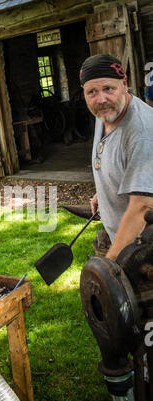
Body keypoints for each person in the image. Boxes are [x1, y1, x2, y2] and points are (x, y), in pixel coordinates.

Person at [80, 53, 153, 261]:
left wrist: (109, 267)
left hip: (145, 251)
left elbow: (144, 206)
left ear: (124, 84)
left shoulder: (142, 131)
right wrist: (105, 191)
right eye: (92, 92)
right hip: (129, 245)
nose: (101, 99)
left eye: (108, 89)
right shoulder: (105, 113)